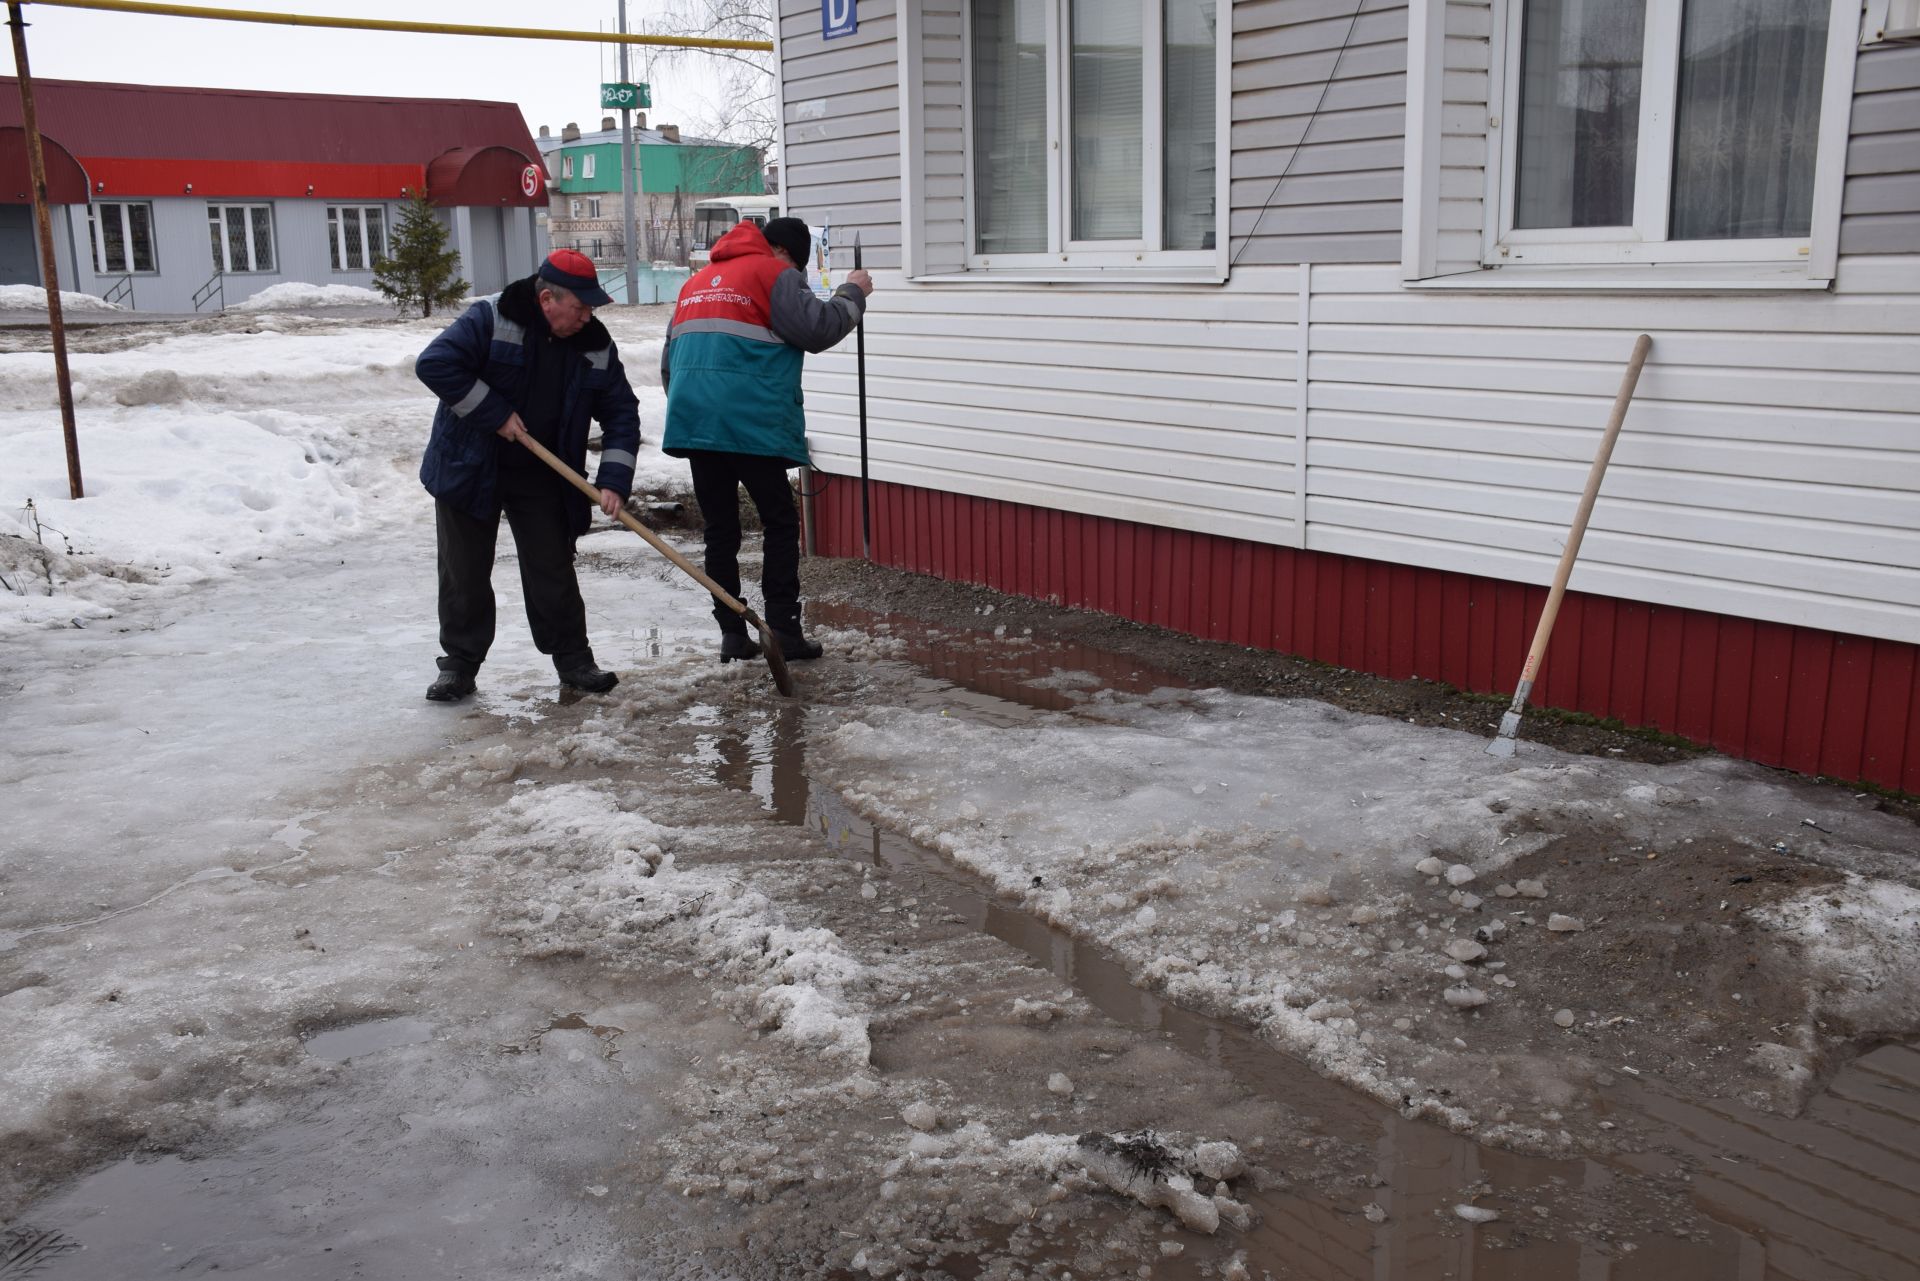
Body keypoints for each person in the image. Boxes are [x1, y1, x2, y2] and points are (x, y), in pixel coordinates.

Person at [415, 248, 641, 702]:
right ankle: (459, 665)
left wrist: (614, 479)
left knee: (551, 566)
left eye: (591, 308)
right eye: (580, 307)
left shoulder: (593, 345)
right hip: (470, 463)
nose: (586, 317)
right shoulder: (490, 319)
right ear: (546, 301)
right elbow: (435, 364)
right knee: (465, 570)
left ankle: (574, 660)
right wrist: (495, 413)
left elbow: (621, 412)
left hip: (542, 470)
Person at [660, 216, 874, 663]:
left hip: (696, 423)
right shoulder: (773, 274)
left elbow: (670, 363)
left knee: (720, 531)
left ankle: (733, 635)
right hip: (749, 422)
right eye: (798, 268)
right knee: (779, 523)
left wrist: (702, 407)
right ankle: (784, 632)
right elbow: (816, 330)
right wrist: (853, 292)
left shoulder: (695, 282)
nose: (797, 278)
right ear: (786, 255)